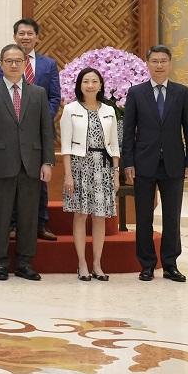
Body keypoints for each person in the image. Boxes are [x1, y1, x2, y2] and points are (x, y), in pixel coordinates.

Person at [0, 44, 55, 281]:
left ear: (25, 64)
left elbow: (46, 131)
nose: (13, 65)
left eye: (18, 61)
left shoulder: (38, 93)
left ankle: (24, 263)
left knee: (28, 217)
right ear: (1, 64)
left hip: (32, 164)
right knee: (0, 216)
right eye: (8, 61)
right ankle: (0, 262)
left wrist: (48, 162)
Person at [121, 45, 188, 283]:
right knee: (143, 217)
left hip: (174, 163)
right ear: (148, 64)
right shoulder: (136, 93)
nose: (159, 65)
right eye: (155, 61)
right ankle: (146, 264)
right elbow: (128, 131)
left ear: (170, 64)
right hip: (144, 163)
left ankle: (170, 265)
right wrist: (128, 162)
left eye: (163, 61)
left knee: (172, 217)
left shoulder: (182, 92)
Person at [0, 18, 62, 241]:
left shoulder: (48, 64)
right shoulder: (4, 63)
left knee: (39, 177)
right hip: (11, 132)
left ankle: (41, 223)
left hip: (39, 132)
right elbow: (0, 94)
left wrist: (40, 120)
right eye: (21, 33)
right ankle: (13, 224)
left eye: (29, 33)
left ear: (37, 37)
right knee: (14, 176)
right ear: (15, 36)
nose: (25, 37)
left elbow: (54, 97)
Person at [60, 67, 120, 282]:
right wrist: (68, 175)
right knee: (80, 215)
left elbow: (114, 145)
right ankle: (82, 264)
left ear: (101, 85)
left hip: (103, 167)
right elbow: (66, 146)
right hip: (79, 166)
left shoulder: (109, 110)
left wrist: (115, 173)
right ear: (79, 85)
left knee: (100, 216)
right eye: (86, 81)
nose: (90, 85)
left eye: (94, 81)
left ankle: (97, 263)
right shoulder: (70, 109)